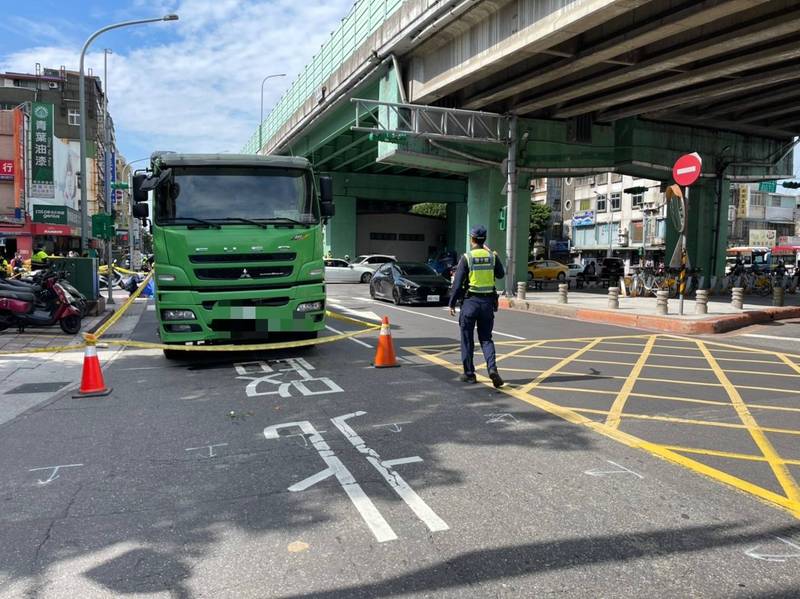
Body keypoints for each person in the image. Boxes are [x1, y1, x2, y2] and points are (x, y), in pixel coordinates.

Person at [448, 225, 505, 388]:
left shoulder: (467, 258)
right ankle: (492, 369)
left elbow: (457, 284)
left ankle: (469, 374)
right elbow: (501, 274)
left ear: (471, 239)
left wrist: (452, 303)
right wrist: (494, 255)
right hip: (487, 304)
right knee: (486, 339)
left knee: (467, 339)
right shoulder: (492, 257)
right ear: (484, 239)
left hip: (470, 303)